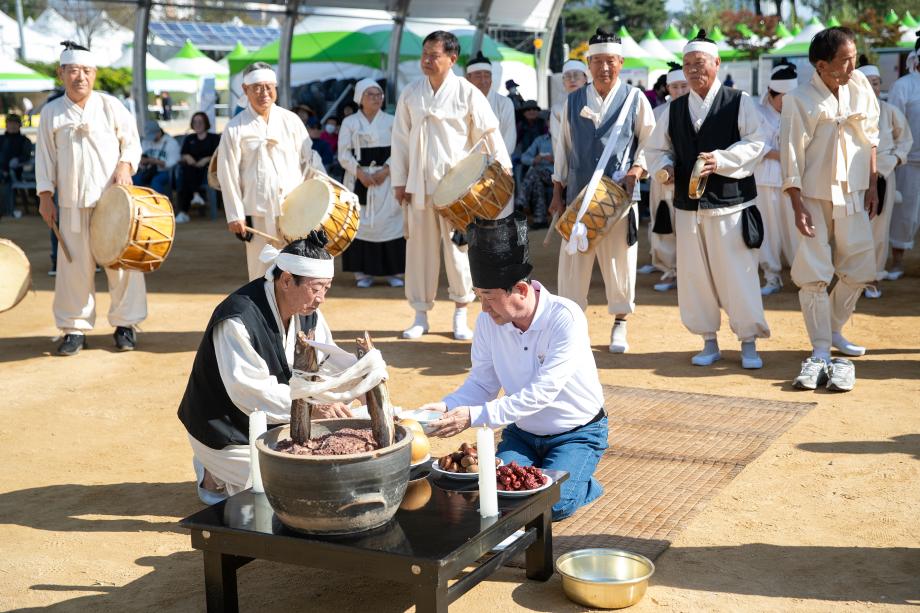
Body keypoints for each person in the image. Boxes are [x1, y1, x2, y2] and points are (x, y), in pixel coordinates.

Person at [424, 213, 608, 521]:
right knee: (495, 494)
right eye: (479, 297)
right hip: (521, 433)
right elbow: (482, 385)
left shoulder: (566, 317)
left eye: (489, 298)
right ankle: (555, 475)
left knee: (551, 506)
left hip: (576, 433)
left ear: (521, 290)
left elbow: (542, 393)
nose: (483, 308)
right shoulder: (488, 320)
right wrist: (445, 407)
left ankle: (578, 481)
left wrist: (474, 416)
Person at [177, 234, 354, 503]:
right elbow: (250, 391)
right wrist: (312, 408)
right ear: (285, 280)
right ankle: (213, 472)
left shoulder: (307, 310)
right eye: (316, 288)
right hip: (225, 432)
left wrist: (358, 382)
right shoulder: (238, 318)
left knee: (335, 453)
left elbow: (328, 363)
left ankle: (233, 476)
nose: (321, 299)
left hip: (275, 420)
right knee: (291, 485)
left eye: (326, 288)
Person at [646, 30, 769, 369]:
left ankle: (748, 342)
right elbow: (656, 149)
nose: (693, 70)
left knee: (738, 275)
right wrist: (665, 168)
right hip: (689, 208)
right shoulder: (673, 109)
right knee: (695, 277)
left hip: (731, 204)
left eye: (699, 63)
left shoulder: (737, 100)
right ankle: (709, 340)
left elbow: (758, 141)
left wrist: (724, 160)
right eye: (687, 65)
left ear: (717, 63)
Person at [390, 30, 511, 340]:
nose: (427, 60)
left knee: (459, 250)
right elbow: (400, 140)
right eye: (425, 54)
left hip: (459, 189)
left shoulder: (467, 92)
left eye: (434, 55)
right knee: (419, 251)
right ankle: (420, 314)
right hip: (419, 185)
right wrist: (400, 180)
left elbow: (489, 133)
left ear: (452, 59)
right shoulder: (411, 93)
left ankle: (460, 312)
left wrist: (504, 168)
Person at [780, 27, 880, 392]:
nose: (852, 65)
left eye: (854, 56)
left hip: (853, 191)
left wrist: (871, 184)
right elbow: (791, 155)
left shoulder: (861, 87)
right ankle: (820, 346)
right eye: (845, 60)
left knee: (861, 265)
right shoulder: (799, 99)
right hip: (812, 194)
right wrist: (796, 204)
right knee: (813, 271)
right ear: (822, 65)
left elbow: (871, 136)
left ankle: (834, 327)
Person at [550, 28, 656, 354]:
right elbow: (562, 150)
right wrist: (557, 191)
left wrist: (638, 170)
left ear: (621, 62)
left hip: (618, 200)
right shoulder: (571, 102)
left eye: (610, 61)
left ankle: (620, 324)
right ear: (588, 63)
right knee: (572, 266)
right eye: (597, 61)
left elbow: (650, 144)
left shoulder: (636, 99)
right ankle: (572, 329)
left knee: (619, 263)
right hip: (579, 198)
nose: (604, 68)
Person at [35, 41, 143, 355]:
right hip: (70, 203)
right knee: (73, 268)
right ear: (61, 74)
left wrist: (125, 165)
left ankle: (126, 324)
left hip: (113, 203)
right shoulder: (51, 112)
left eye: (85, 71)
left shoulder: (111, 106)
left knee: (122, 265)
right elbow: (44, 157)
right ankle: (74, 328)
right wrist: (45, 195)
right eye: (72, 71)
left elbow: (132, 144)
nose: (79, 77)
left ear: (94, 74)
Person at [216, 62, 317, 281]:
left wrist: (319, 195)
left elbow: (310, 160)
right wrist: (235, 214)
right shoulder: (235, 127)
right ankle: (264, 315)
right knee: (262, 270)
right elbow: (227, 173)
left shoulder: (291, 120)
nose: (264, 93)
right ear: (245, 90)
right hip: (256, 210)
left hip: (294, 207)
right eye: (257, 87)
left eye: (269, 87)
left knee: (299, 268)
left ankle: (300, 315)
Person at [338, 78, 406, 288]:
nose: (376, 98)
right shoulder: (350, 123)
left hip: (387, 178)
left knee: (390, 221)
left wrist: (386, 170)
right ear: (360, 98)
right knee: (360, 223)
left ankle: (394, 272)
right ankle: (362, 273)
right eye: (371, 94)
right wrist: (360, 174)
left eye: (379, 95)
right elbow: (343, 153)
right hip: (359, 178)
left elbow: (401, 148)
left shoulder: (392, 120)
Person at [857, 60, 912, 298]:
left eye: (877, 83)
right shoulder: (851, 113)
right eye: (868, 83)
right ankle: (853, 279)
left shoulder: (890, 112)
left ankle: (873, 279)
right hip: (854, 177)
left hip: (884, 176)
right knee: (854, 229)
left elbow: (905, 141)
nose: (873, 88)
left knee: (879, 230)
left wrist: (895, 159)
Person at [642, 62, 690, 291]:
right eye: (675, 87)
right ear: (667, 89)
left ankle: (690, 274)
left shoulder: (698, 111)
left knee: (688, 228)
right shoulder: (658, 113)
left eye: (684, 86)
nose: (680, 91)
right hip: (662, 180)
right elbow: (650, 148)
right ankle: (670, 270)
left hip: (691, 181)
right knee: (664, 224)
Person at [755, 63, 801, 296]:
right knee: (769, 231)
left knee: (796, 229)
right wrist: (785, 154)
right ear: (771, 95)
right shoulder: (757, 113)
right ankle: (772, 275)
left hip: (793, 180)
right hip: (764, 180)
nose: (786, 102)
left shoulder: (799, 113)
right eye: (783, 98)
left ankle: (802, 275)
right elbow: (757, 147)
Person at [886, 32, 920, 279]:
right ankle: (897, 261)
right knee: (904, 213)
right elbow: (894, 125)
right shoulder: (903, 86)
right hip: (910, 161)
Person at [466, 51, 517, 157]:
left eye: (487, 75)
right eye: (478, 76)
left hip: (498, 164)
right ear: (468, 78)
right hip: (467, 165)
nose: (483, 80)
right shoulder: (460, 102)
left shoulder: (504, 103)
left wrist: (496, 163)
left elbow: (509, 137)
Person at [176, 111, 220, 224]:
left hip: (208, 171)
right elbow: (184, 153)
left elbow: (219, 155)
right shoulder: (189, 138)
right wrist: (187, 156)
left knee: (185, 177)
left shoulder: (214, 138)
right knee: (186, 170)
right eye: (195, 122)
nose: (198, 124)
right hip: (192, 170)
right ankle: (196, 196)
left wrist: (207, 159)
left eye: (200, 121)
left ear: (206, 123)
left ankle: (183, 212)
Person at [517, 130, 554, 229]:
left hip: (555, 175)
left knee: (533, 172)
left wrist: (554, 160)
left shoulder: (562, 138)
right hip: (540, 174)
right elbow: (524, 157)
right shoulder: (540, 140)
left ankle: (521, 200)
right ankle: (540, 220)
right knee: (537, 182)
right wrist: (534, 160)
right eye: (549, 120)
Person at [550, 59, 589, 151]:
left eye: (576, 75)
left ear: (585, 78)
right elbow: (557, 143)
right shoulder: (557, 109)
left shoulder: (596, 104)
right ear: (563, 81)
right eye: (567, 76)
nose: (572, 80)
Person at [133, 121, 180, 195]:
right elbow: (140, 159)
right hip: (148, 170)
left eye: (153, 135)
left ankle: (158, 204)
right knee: (135, 179)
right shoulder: (146, 142)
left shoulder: (171, 142)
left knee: (156, 181)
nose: (152, 139)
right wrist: (142, 162)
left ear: (159, 132)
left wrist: (158, 162)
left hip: (165, 171)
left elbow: (175, 161)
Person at [0, 114, 33, 218]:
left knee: (6, 179)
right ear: (6, 125)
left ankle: (7, 211)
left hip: (16, 172)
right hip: (1, 170)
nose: (12, 126)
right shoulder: (1, 139)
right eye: (10, 123)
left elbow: (26, 156)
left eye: (15, 123)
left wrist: (18, 160)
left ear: (19, 125)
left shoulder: (24, 140)